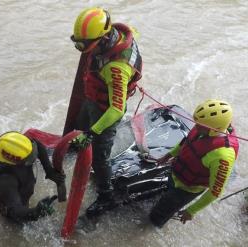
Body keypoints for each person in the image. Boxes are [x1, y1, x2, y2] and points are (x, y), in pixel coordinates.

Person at [70, 7, 143, 217]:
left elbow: (117, 109)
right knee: (82, 121)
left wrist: (94, 132)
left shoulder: (116, 68)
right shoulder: (115, 34)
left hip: (106, 111)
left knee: (100, 158)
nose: (80, 48)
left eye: (83, 45)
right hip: (94, 97)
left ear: (102, 39)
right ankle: (81, 146)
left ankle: (106, 197)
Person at [149, 99, 239, 227]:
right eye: (196, 122)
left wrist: (191, 211)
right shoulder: (203, 128)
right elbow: (186, 142)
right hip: (176, 174)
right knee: (165, 196)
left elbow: (215, 192)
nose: (195, 127)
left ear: (214, 129)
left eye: (199, 125)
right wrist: (169, 155)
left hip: (187, 189)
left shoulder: (223, 156)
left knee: (156, 217)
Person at [0, 131, 65, 223]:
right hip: (12, 209)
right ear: (14, 162)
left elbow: (38, 146)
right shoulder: (5, 180)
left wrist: (49, 171)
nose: (33, 159)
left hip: (18, 177)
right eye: (29, 159)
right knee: (19, 222)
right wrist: (35, 212)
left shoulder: (19, 145)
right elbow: (15, 210)